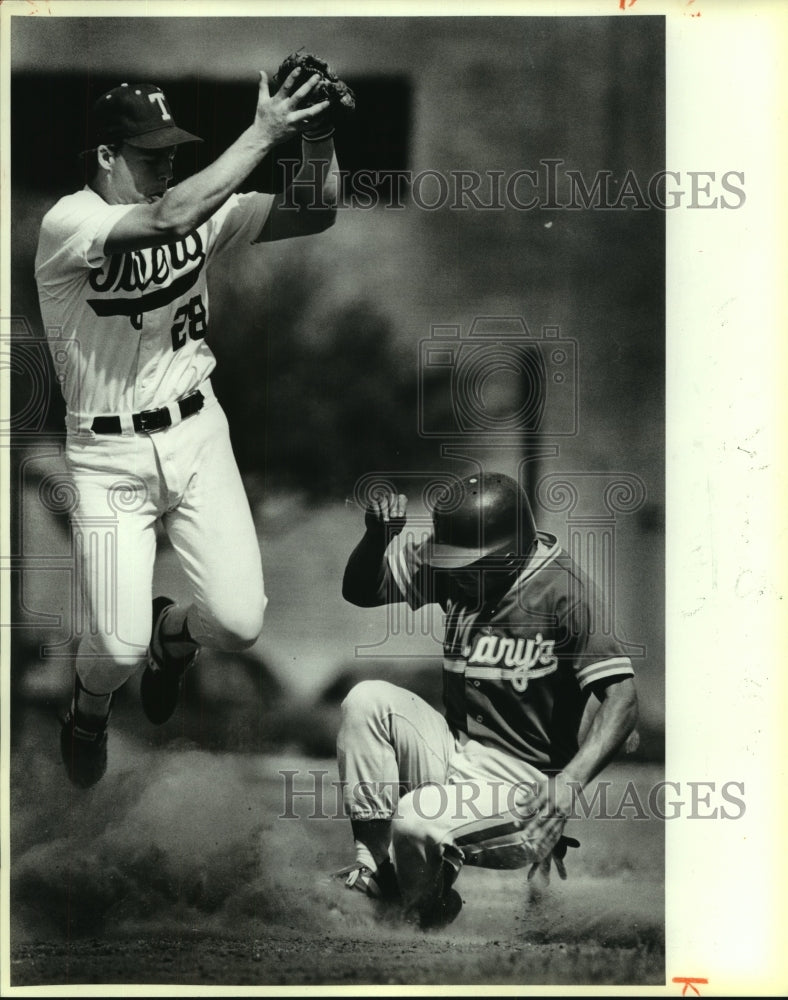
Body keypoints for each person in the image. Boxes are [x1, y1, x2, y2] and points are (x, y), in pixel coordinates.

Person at [35, 68, 340, 787]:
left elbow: (316, 211)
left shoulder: (200, 206)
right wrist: (264, 131)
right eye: (149, 153)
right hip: (106, 454)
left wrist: (318, 134)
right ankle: (86, 707)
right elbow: (170, 218)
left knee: (238, 622)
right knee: (113, 645)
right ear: (105, 156)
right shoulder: (68, 223)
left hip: (198, 433)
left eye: (172, 150)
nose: (166, 162)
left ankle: (176, 637)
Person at [336, 471, 639, 928]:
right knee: (367, 700)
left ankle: (420, 911)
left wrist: (570, 783)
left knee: (417, 818)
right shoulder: (461, 567)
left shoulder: (564, 592)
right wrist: (377, 538)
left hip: (525, 788)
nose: (453, 572)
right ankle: (376, 870)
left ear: (510, 553)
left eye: (468, 563)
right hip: (453, 753)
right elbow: (361, 591)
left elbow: (623, 697)